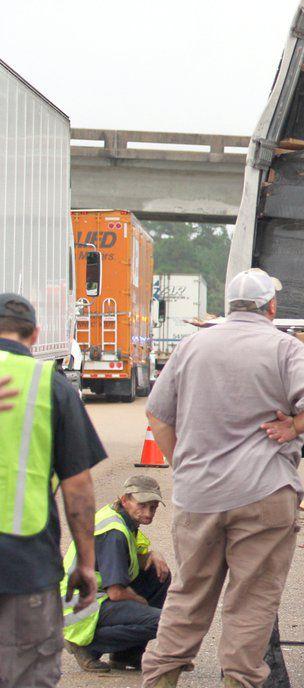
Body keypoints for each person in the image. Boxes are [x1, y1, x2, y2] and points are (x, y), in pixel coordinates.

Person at [141, 268, 304, 688]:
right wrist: (295, 427)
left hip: (199, 497)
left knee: (189, 594)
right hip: (263, 492)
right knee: (252, 600)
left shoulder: (192, 346)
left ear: (229, 305)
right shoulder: (283, 347)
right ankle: (238, 681)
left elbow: (158, 415)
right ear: (271, 306)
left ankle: (161, 678)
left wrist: (182, 465)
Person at [0, 292, 107, 687]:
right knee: (27, 674)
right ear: (36, 335)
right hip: (24, 564)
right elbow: (77, 489)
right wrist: (85, 561)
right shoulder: (53, 387)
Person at [62, 475, 171, 672]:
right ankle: (86, 646)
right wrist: (141, 602)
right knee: (165, 622)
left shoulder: (120, 516)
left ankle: (126, 656)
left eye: (153, 507)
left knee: (158, 573)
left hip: (91, 596)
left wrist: (154, 554)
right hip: (81, 607)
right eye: (143, 505)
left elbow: (137, 552)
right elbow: (116, 593)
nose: (148, 513)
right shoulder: (114, 533)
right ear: (125, 500)